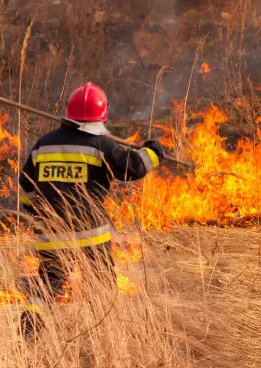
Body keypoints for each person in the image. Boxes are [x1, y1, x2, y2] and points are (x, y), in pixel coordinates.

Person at [17, 82, 165, 339]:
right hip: (91, 236)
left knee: (47, 283)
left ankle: (31, 322)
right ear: (101, 116)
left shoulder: (43, 145)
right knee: (101, 285)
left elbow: (25, 186)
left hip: (51, 234)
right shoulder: (101, 145)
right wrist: (153, 152)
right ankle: (106, 337)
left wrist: (35, 214)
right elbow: (134, 167)